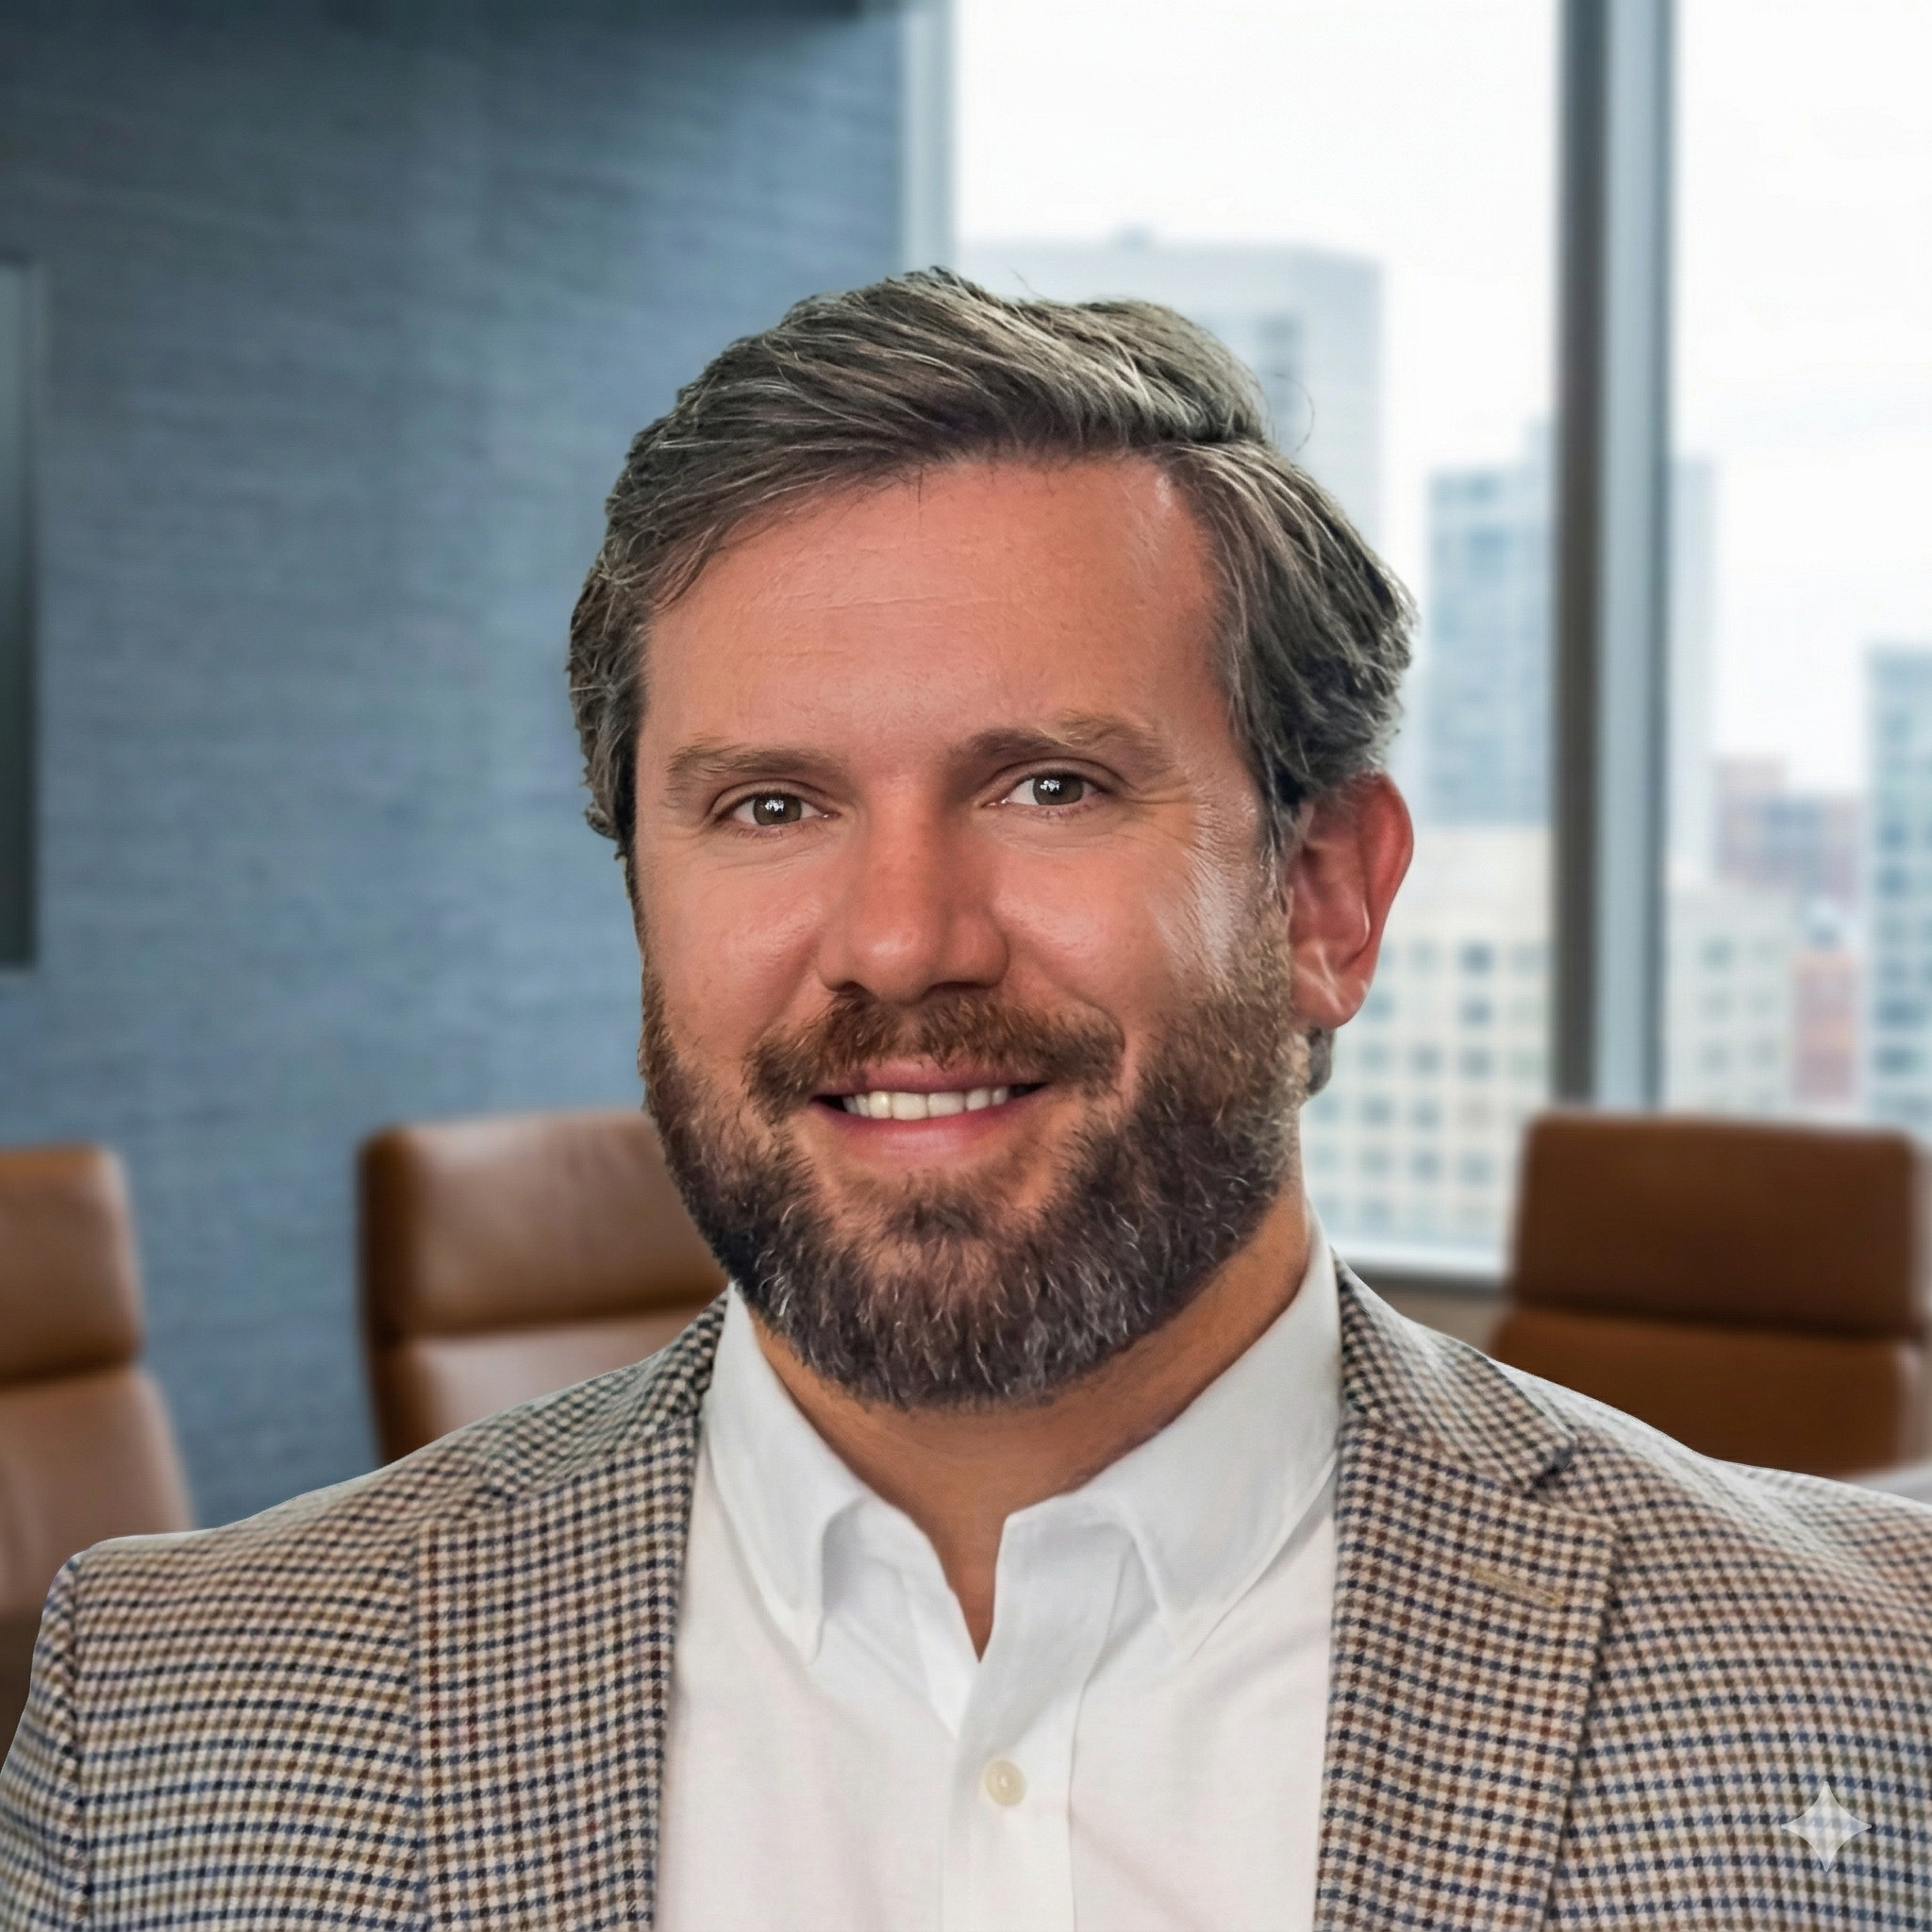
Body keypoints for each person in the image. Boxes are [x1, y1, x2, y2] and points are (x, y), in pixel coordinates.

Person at [3, 273, 1927, 1931]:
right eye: (771, 806)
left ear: (1326, 898)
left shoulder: (1866, 1688)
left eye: (1048, 786)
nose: (901, 941)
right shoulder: (178, 1711)